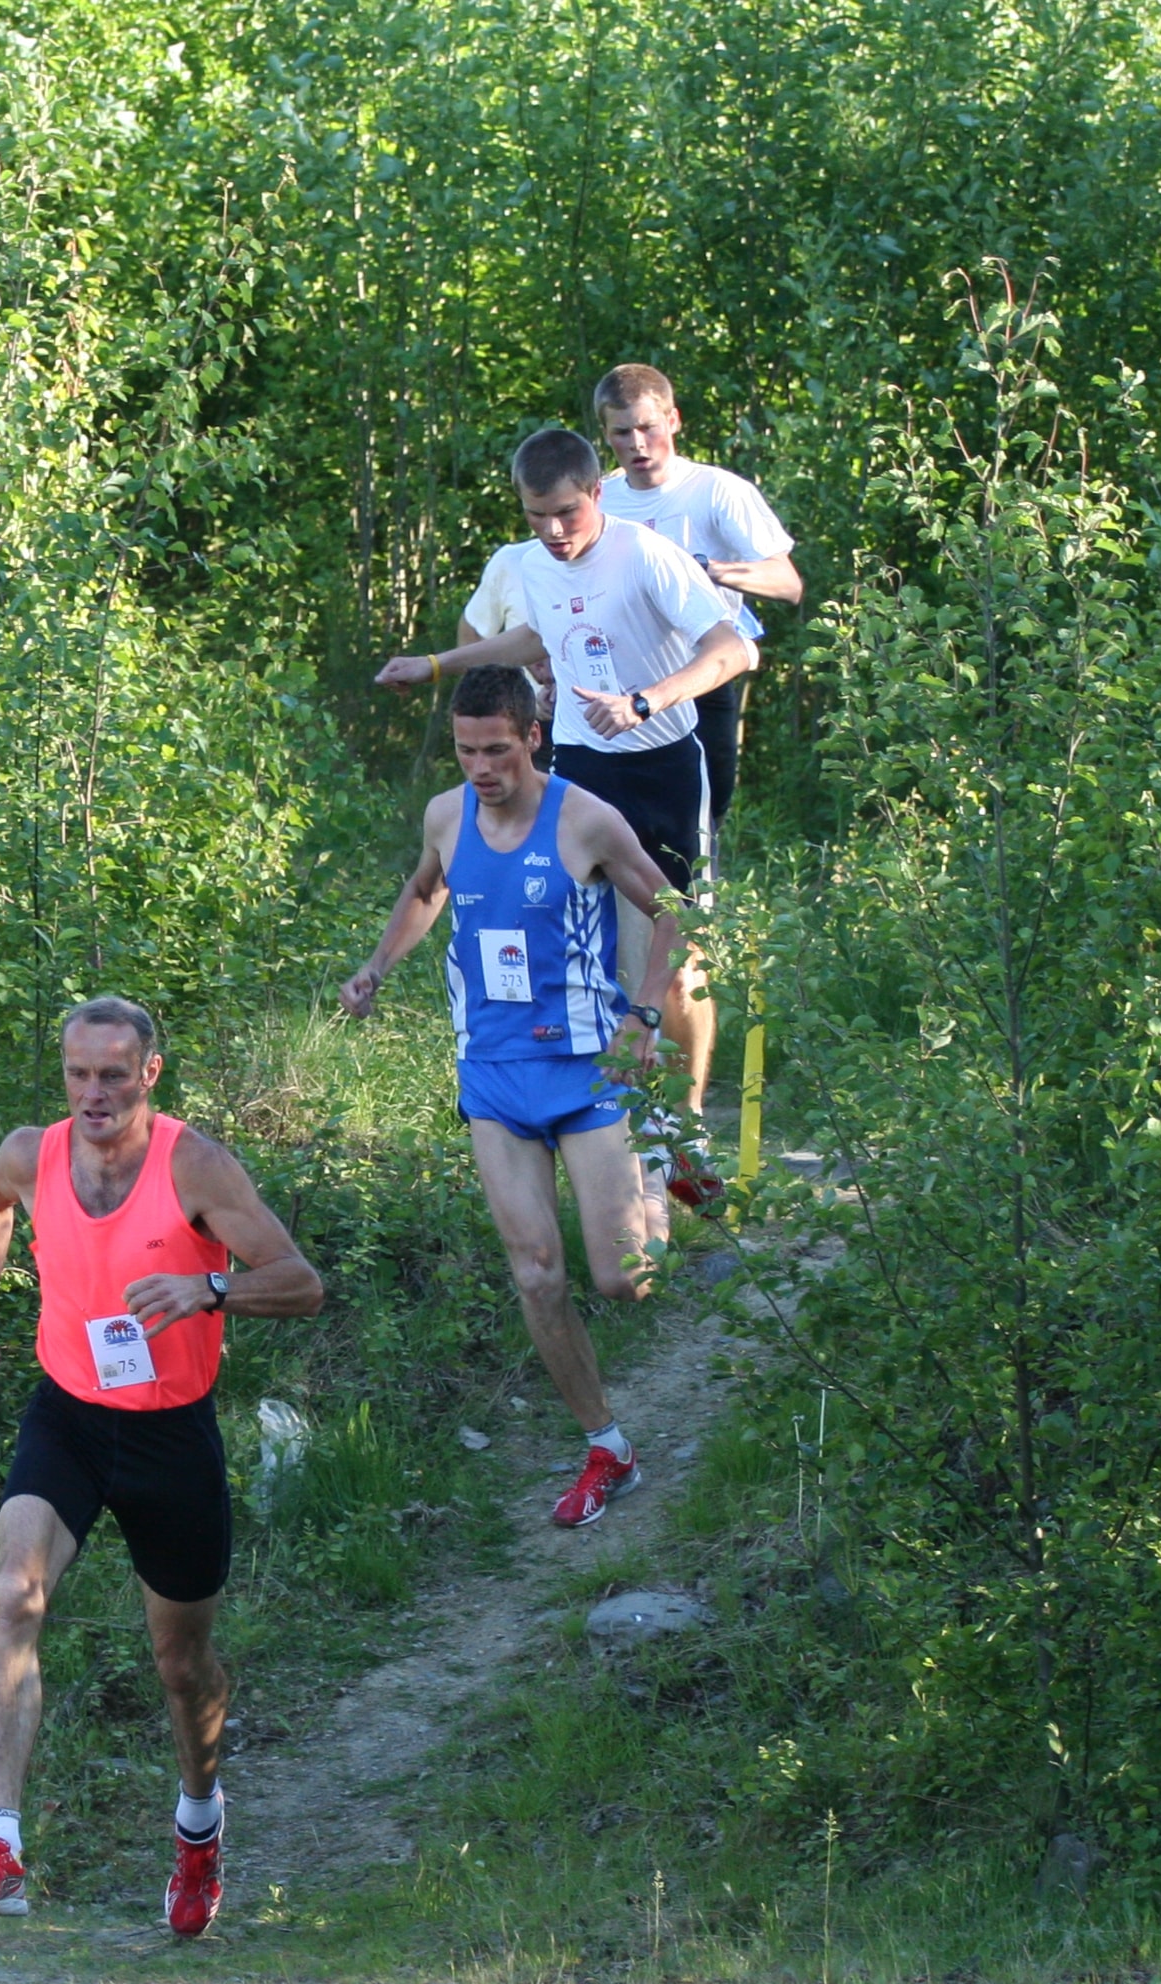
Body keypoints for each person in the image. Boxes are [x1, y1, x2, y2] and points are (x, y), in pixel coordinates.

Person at [0, 999, 325, 1939]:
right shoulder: (34, 1153)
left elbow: (302, 1281)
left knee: (181, 1665)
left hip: (169, 1435)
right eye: (77, 1074)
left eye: (113, 1074)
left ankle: (199, 1824)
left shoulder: (194, 1164)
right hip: (69, 1417)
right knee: (11, 1600)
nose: (93, 1093)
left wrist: (210, 1286)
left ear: (151, 1073)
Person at [340, 664, 691, 1528]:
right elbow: (427, 890)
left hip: (586, 1073)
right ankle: (607, 1446)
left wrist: (645, 1014)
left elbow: (676, 908)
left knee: (624, 1280)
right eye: (466, 751)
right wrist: (377, 967)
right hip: (493, 1075)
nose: (481, 768)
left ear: (534, 736)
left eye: (497, 750)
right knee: (537, 1274)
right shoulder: (446, 815)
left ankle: (658, 1157)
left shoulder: (585, 820)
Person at [376, 428, 754, 1203]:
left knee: (673, 962)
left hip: (663, 768)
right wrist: (440, 664)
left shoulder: (648, 556)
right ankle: (622, 1149)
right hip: (582, 766)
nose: (552, 531)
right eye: (536, 515)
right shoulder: (534, 564)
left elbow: (734, 650)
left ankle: (681, 1132)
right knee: (591, 959)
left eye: (567, 514)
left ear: (598, 495)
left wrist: (646, 700)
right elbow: (535, 633)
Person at [593, 362, 803, 1142]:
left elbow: (787, 582)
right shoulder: (600, 499)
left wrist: (710, 572)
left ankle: (685, 1115)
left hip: (702, 696)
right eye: (621, 433)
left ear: (674, 419)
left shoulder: (717, 493)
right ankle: (625, 1108)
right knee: (615, 906)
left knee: (683, 912)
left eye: (648, 427)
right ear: (605, 439)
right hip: (614, 707)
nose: (638, 445)